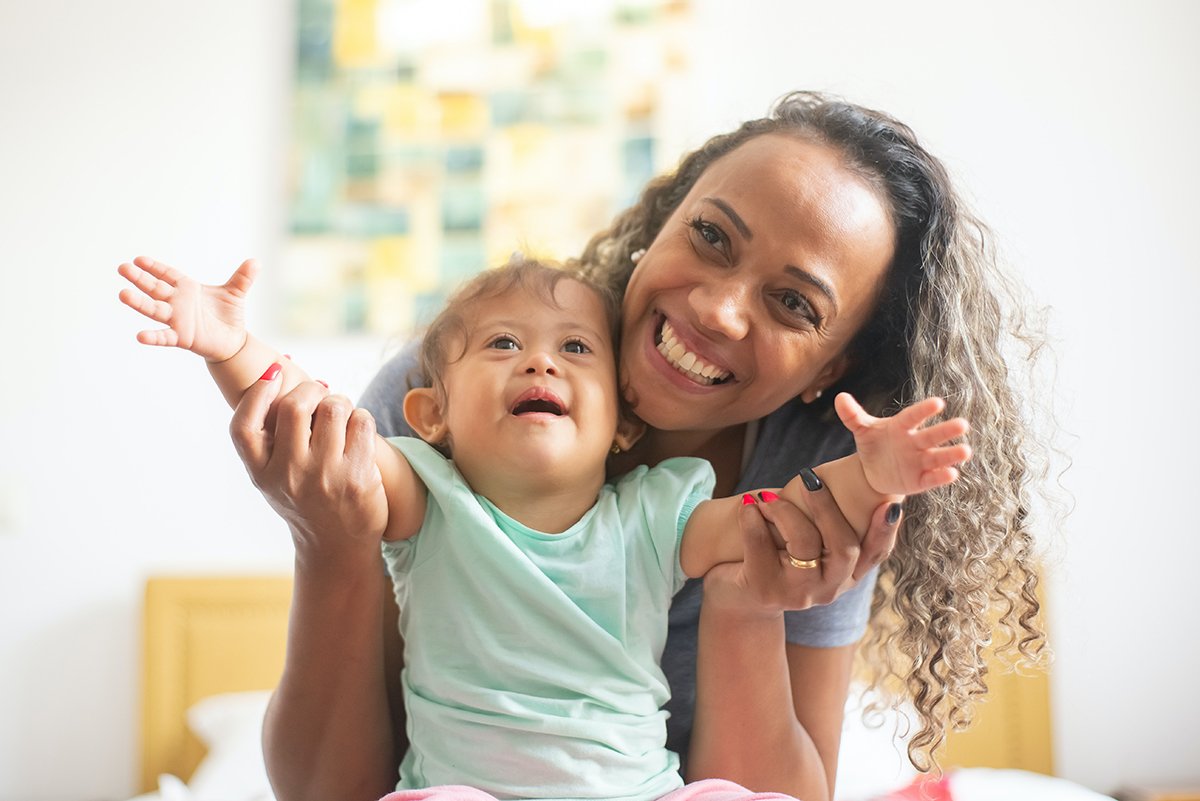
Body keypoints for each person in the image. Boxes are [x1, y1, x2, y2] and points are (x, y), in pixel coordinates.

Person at [224, 92, 1050, 801]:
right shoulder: (468, 390)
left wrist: (744, 605)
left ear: (828, 368)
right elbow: (328, 791)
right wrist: (329, 542)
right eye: (712, 236)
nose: (720, 311)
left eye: (794, 303)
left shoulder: (820, 474)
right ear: (663, 221)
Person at [118, 251, 970, 801]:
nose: (539, 360)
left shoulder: (657, 512)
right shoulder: (426, 493)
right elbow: (318, 426)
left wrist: (874, 474)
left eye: (574, 348)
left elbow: (780, 521)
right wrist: (233, 350)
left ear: (622, 426)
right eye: (501, 345)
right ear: (431, 414)